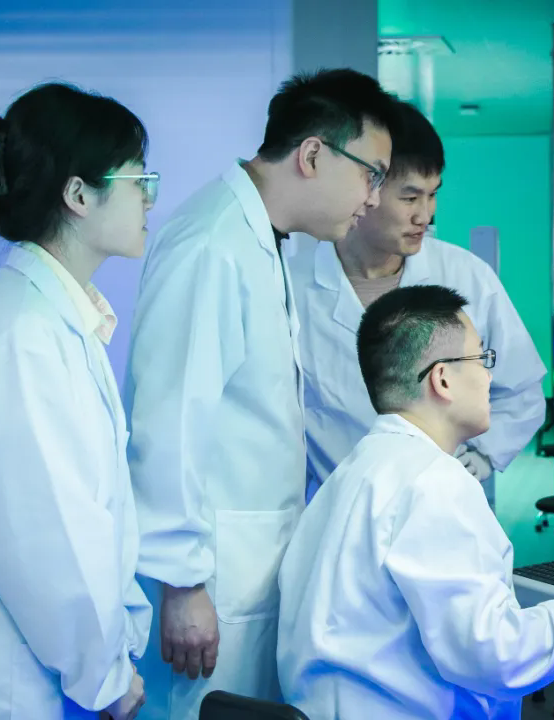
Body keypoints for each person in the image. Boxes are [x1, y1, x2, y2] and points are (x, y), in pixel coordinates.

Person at [276, 285, 554, 720]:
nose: (490, 377)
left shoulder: (352, 473)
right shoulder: (434, 482)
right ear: (442, 379)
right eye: (481, 359)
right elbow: (497, 656)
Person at [121, 68, 398, 720]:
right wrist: (182, 584)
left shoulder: (262, 241)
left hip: (246, 565)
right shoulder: (211, 242)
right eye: (373, 175)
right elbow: (169, 421)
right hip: (208, 583)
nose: (374, 199)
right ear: (312, 155)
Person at [0, 82, 156, 719]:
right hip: (3, 684)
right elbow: (48, 537)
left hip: (43, 670)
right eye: (139, 180)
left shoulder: (55, 321)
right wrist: (106, 674)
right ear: (79, 195)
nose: (148, 198)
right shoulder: (19, 336)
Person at [289, 99, 546, 508]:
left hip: (443, 508)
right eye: (410, 198)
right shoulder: (292, 285)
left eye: (432, 195)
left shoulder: (465, 276)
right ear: (366, 188)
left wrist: (483, 455)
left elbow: (522, 390)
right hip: (339, 512)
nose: (425, 215)